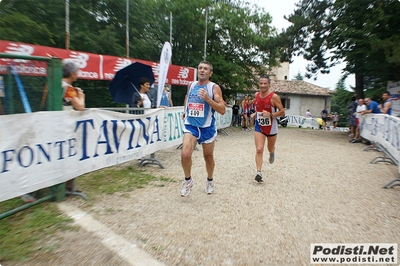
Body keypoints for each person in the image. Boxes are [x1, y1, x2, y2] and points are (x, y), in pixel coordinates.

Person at [180, 61, 226, 197]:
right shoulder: (191, 85)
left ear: (210, 73)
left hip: (207, 128)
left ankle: (210, 180)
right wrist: (185, 111)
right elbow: (187, 98)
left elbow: (222, 109)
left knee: (208, 157)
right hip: (191, 125)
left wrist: (207, 99)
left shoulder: (214, 88)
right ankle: (188, 180)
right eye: (200, 68)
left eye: (205, 69)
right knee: (185, 154)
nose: (202, 70)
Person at [251, 75, 285, 182]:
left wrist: (270, 114)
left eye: (265, 83)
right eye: (261, 83)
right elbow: (259, 108)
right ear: (258, 84)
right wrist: (255, 114)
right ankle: (259, 172)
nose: (263, 85)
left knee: (269, 148)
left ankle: (272, 152)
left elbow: (282, 111)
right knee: (259, 149)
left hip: (271, 127)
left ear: (269, 84)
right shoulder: (256, 95)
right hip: (259, 125)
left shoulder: (274, 97)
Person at [62, 59, 86, 193]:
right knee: (71, 154)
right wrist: (81, 96)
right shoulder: (68, 88)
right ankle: (69, 186)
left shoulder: (55, 84)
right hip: (66, 126)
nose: (77, 74)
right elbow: (80, 107)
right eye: (77, 71)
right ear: (72, 73)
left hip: (56, 124)